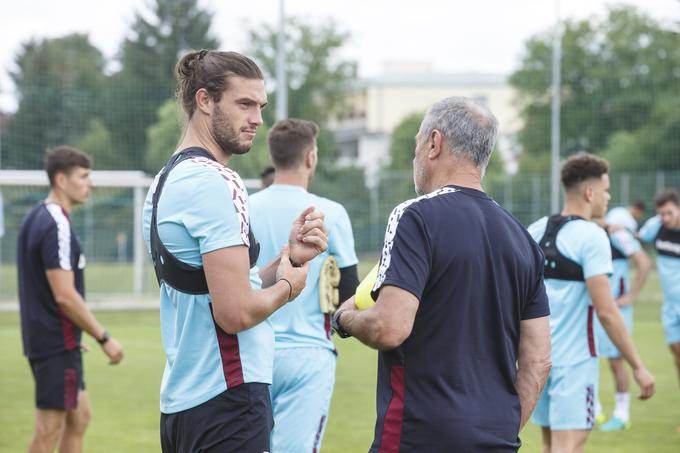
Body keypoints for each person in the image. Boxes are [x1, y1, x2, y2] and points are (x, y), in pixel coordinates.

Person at [332, 97, 552, 452]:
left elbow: (390, 327)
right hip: (497, 441)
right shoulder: (523, 239)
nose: (414, 157)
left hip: (419, 437)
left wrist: (344, 319)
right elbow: (538, 359)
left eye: (416, 144)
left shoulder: (415, 216)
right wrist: (504, 432)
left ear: (434, 143)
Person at [142, 50, 328, 452]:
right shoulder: (217, 181)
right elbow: (235, 313)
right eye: (244, 104)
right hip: (228, 399)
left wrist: (283, 262)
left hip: (184, 404)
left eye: (259, 106)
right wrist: (288, 289)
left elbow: (209, 287)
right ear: (205, 101)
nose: (258, 119)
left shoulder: (164, 181)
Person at [528, 153, 655, 453]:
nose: (608, 197)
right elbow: (608, 312)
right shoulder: (593, 237)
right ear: (589, 192)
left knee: (549, 444)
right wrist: (637, 365)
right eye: (606, 189)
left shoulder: (534, 230)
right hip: (575, 363)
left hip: (536, 360)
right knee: (570, 446)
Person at [249, 118, 359, 452]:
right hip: (308, 354)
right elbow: (350, 292)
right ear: (310, 157)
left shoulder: (245, 208)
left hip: (252, 351)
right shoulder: (330, 213)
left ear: (273, 156)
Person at [17, 146, 124, 453]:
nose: (89, 183)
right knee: (48, 430)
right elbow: (64, 295)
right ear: (61, 181)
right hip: (54, 342)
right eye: (84, 176)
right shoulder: (56, 224)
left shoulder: (36, 216)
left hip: (53, 339)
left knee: (80, 418)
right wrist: (103, 337)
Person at [593, 204, 651, 431]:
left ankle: (621, 414)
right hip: (597, 308)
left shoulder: (618, 234)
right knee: (590, 357)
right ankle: (595, 411)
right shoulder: (596, 232)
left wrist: (632, 295)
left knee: (617, 362)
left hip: (616, 309)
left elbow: (644, 263)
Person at [638, 189, 680, 431]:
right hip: (670, 309)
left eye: (669, 213)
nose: (665, 217)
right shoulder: (656, 226)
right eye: (661, 213)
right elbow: (637, 239)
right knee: (677, 358)